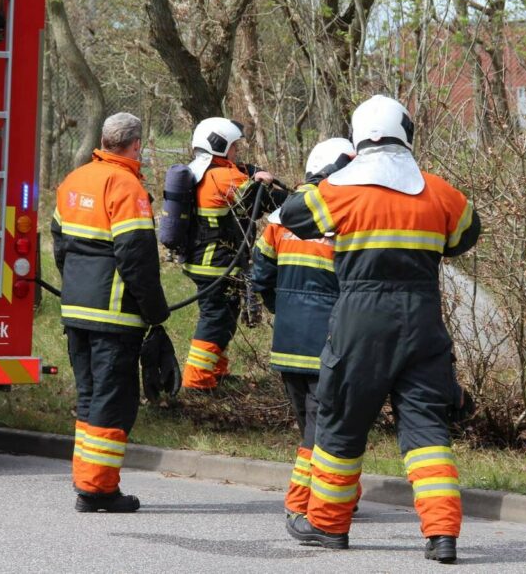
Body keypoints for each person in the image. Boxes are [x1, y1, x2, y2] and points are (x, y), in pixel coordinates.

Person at [279, 95, 481, 563]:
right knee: (427, 429)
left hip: (360, 319)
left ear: (357, 138)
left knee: (341, 420)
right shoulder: (440, 192)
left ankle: (327, 524)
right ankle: (442, 534)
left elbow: (292, 215)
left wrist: (334, 173)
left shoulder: (339, 191)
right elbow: (465, 236)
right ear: (406, 134)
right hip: (422, 319)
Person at [51, 112, 178, 513]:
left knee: (89, 396)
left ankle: (87, 481)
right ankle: (98, 490)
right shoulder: (126, 185)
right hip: (114, 315)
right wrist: (156, 312)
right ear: (136, 145)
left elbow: (59, 244)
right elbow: (136, 257)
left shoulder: (75, 179)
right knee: (113, 401)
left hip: (76, 309)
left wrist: (77, 286)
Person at [250, 138, 356, 519]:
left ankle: (336, 492)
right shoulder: (344, 218)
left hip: (288, 343)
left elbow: (260, 276)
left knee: (311, 424)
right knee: (322, 426)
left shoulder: (281, 220)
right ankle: (305, 500)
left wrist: (283, 310)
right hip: (328, 344)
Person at [180, 117, 281, 391]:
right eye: (234, 146)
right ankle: (197, 380)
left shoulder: (200, 171)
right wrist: (273, 186)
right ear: (220, 145)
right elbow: (265, 203)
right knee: (216, 319)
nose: (237, 152)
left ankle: (216, 371)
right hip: (217, 263)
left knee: (223, 316)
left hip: (203, 260)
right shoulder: (224, 177)